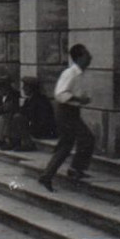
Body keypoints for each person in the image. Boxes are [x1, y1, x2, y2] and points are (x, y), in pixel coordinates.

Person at [42, 44, 95, 190]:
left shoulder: (80, 74)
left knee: (67, 144)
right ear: (79, 58)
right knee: (84, 139)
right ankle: (71, 170)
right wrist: (79, 99)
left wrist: (80, 99)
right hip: (65, 112)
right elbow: (60, 94)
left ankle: (51, 174)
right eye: (86, 55)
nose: (90, 57)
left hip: (71, 112)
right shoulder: (70, 73)